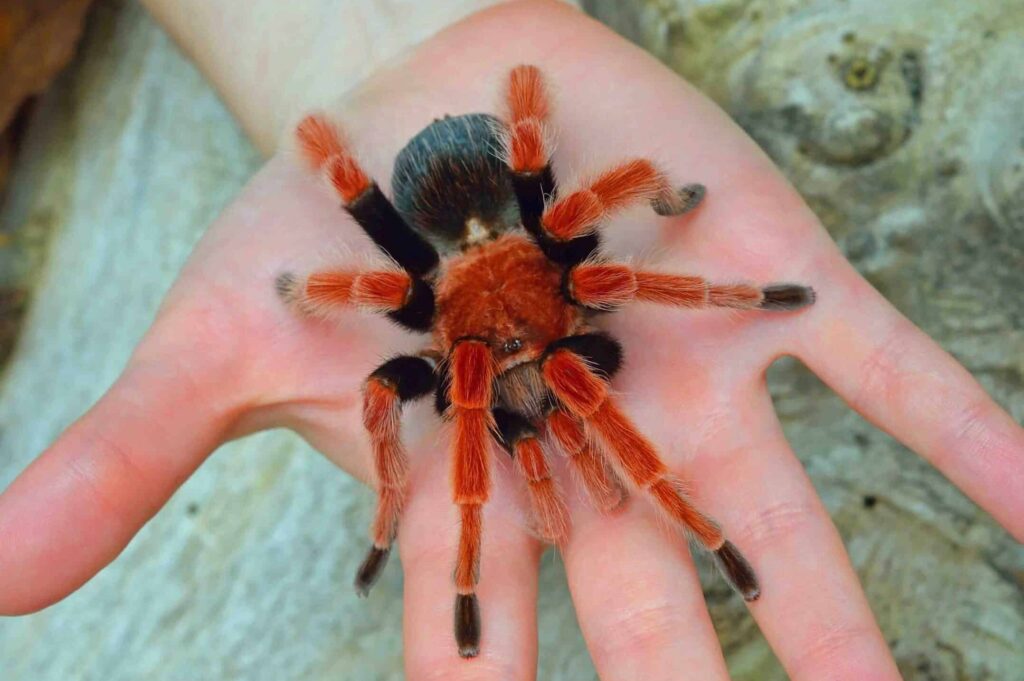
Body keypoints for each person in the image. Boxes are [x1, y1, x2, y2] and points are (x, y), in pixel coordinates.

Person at [1, 1, 1021, 679]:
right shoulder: (438, 325)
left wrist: (723, 269)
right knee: (490, 340)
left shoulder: (566, 271)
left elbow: (592, 207)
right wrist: (400, 499)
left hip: (499, 239)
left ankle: (707, 520)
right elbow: (346, 221)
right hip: (460, 261)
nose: (539, 389)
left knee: (587, 268)